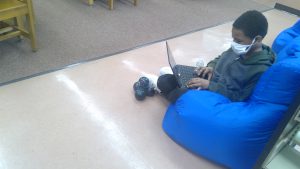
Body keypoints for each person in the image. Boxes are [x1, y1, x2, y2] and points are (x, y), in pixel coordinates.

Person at [156, 10, 275, 103]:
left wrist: (210, 86)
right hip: (209, 81)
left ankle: (177, 93)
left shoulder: (261, 69)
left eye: (238, 40)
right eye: (233, 38)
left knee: (177, 94)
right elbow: (219, 58)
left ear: (257, 39)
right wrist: (210, 67)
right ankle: (178, 87)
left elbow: (240, 98)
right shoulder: (241, 47)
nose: (234, 43)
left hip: (218, 95)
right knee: (164, 81)